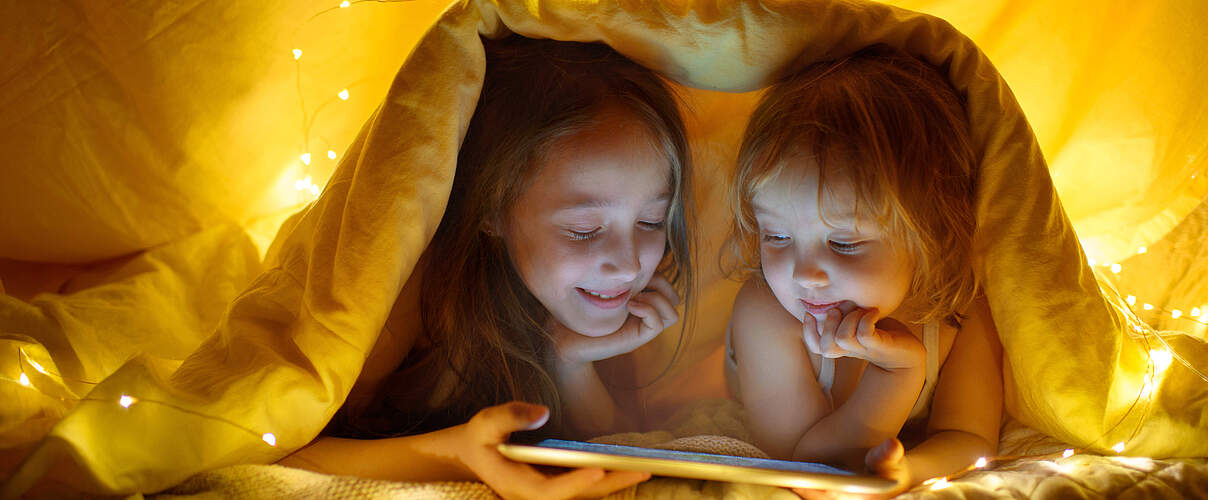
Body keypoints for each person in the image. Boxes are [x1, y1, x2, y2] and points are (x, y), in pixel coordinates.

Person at [277, 35, 695, 500]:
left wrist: (569, 362)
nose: (630, 262)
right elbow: (283, 452)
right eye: (583, 229)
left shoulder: (589, 296)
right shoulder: (405, 294)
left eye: (651, 221)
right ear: (491, 207)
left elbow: (613, 447)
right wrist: (457, 454)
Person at [724, 45, 1002, 497]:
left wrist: (905, 473)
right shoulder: (767, 313)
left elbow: (970, 438)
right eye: (775, 236)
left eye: (844, 243)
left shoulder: (959, 309)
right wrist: (897, 374)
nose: (804, 275)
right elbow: (807, 464)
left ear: (929, 233)